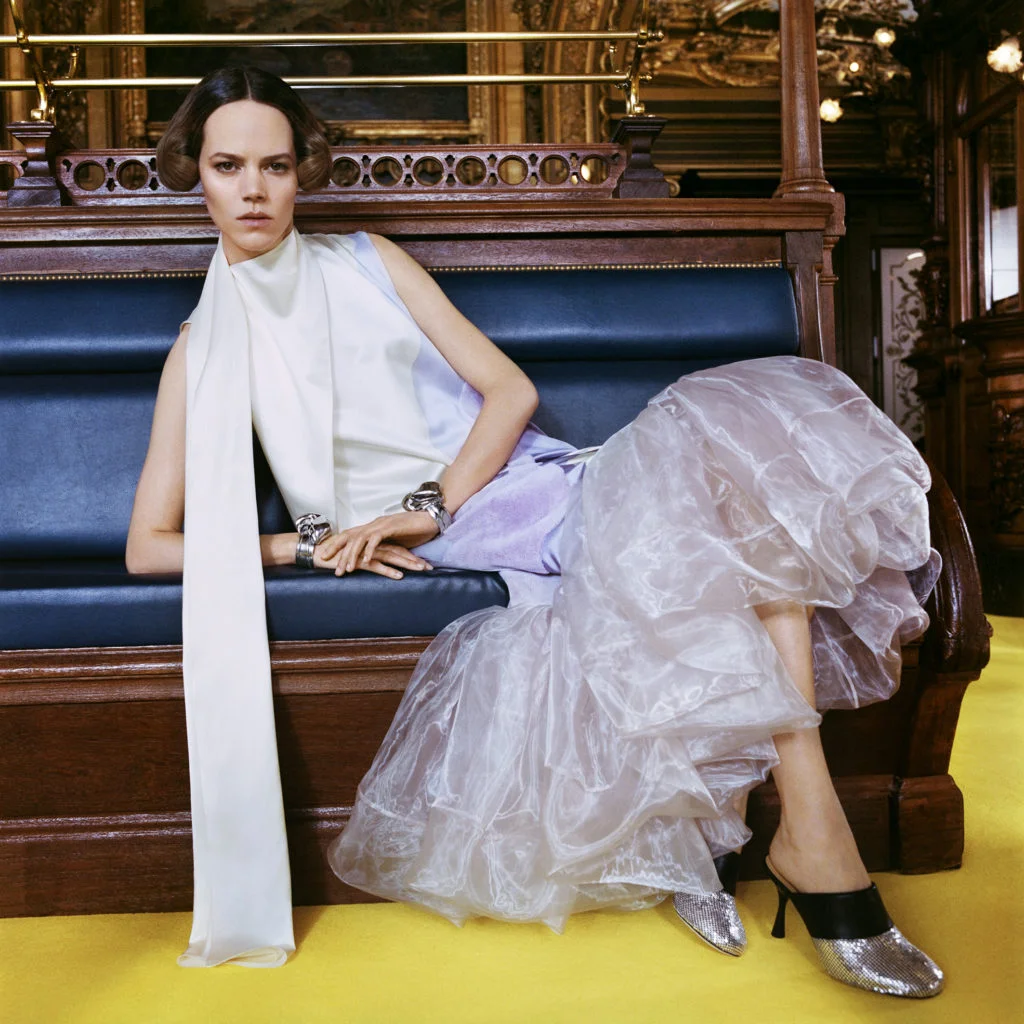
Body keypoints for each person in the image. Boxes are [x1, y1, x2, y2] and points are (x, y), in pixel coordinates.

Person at [128, 66, 943, 997]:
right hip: (484, 530)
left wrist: (427, 505)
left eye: (274, 166)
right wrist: (306, 544)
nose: (253, 190)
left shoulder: (366, 259)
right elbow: (149, 545)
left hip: (520, 481)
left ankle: (763, 827)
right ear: (193, 171)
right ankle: (809, 842)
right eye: (228, 166)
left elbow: (509, 392)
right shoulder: (201, 347)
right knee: (733, 525)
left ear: (300, 172)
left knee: (741, 496)